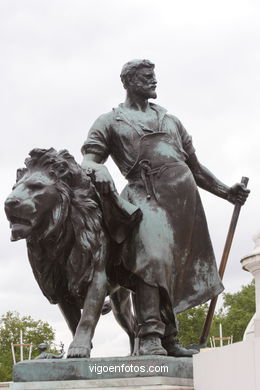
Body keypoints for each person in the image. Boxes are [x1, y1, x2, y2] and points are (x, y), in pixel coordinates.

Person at [81, 59, 249, 357]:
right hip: (144, 197)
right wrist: (98, 169)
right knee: (152, 260)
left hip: (183, 206)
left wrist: (226, 192)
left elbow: (194, 167)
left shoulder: (171, 120)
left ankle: (169, 339)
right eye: (147, 77)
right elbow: (90, 160)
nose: (154, 82)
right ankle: (149, 336)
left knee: (171, 271)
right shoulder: (110, 121)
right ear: (129, 82)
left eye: (154, 77)